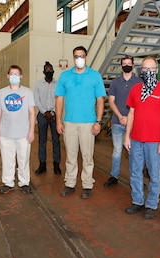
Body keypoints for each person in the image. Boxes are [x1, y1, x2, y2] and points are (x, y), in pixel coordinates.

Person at [123, 56, 160, 219]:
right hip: (137, 139)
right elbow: (131, 114)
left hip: (154, 142)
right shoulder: (135, 89)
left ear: (157, 71)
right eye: (145, 69)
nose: (148, 72)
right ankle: (137, 201)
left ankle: (151, 204)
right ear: (141, 70)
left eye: (151, 69)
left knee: (154, 174)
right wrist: (127, 136)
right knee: (135, 172)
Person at [55, 46, 106, 199]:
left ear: (86, 57)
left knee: (87, 156)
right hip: (69, 122)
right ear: (73, 58)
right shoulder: (65, 76)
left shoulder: (95, 76)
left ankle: (87, 184)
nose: (79, 59)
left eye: (82, 56)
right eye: (76, 56)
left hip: (88, 123)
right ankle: (70, 183)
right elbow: (59, 100)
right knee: (70, 156)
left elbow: (100, 100)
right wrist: (59, 121)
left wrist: (98, 121)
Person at [0, 65, 36, 194]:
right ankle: (8, 182)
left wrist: (31, 131)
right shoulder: (2, 93)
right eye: (12, 74)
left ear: (21, 76)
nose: (14, 77)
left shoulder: (27, 92)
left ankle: (24, 182)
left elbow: (32, 112)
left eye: (17, 74)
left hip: (23, 134)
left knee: (24, 160)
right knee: (7, 160)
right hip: (5, 134)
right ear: (7, 76)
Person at [103, 55, 142, 188]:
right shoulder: (115, 83)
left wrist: (129, 118)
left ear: (133, 66)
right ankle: (114, 176)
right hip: (117, 123)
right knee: (117, 151)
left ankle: (134, 178)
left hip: (134, 123)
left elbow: (140, 103)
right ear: (121, 66)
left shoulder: (139, 83)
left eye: (129, 63)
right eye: (124, 63)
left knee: (133, 152)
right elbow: (111, 101)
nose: (126, 65)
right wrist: (120, 116)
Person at [33, 61, 61, 175]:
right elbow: (36, 99)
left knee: (56, 141)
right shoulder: (38, 84)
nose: (49, 72)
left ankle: (56, 165)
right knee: (42, 141)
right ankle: (42, 164)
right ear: (43, 72)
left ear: (53, 71)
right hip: (42, 115)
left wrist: (53, 112)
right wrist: (45, 112)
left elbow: (60, 98)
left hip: (55, 115)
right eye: (47, 70)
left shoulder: (58, 84)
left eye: (51, 70)